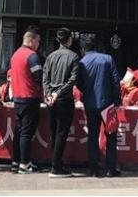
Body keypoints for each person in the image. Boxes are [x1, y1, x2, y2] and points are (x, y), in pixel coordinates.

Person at [77, 37, 121, 178]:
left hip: (90, 104)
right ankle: (110, 169)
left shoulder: (82, 62)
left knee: (93, 136)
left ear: (83, 49)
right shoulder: (108, 59)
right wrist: (117, 101)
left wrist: (85, 95)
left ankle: (94, 169)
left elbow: (78, 83)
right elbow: (116, 81)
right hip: (107, 104)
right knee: (111, 135)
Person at [42, 27, 80, 178]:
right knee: (61, 133)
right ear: (69, 39)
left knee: (53, 132)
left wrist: (48, 94)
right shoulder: (74, 56)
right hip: (64, 99)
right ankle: (56, 167)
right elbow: (73, 79)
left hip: (51, 100)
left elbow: (45, 78)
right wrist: (58, 93)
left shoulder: (50, 56)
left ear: (58, 40)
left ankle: (57, 163)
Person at [10, 26, 44, 174]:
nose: (38, 44)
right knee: (26, 133)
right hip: (30, 98)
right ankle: (24, 164)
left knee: (18, 131)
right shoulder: (32, 56)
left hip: (17, 98)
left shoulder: (15, 54)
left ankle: (16, 161)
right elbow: (39, 77)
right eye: (38, 41)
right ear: (31, 40)